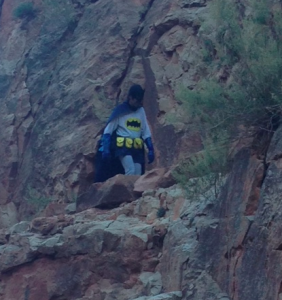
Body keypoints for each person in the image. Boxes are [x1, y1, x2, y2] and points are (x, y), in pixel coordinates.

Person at [94, 84, 154, 182]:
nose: (139, 103)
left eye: (140, 100)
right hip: (123, 147)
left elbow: (145, 131)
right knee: (130, 170)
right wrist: (105, 149)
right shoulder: (120, 111)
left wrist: (151, 149)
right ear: (130, 97)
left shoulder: (141, 111)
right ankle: (129, 195)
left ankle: (137, 196)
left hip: (137, 147)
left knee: (138, 173)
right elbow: (108, 131)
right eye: (137, 100)